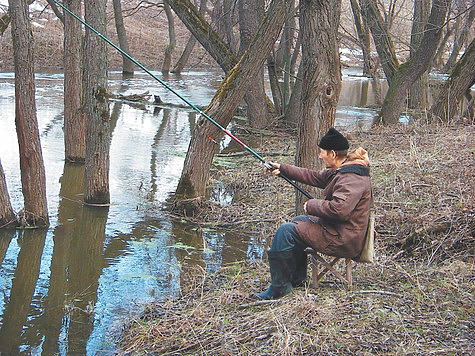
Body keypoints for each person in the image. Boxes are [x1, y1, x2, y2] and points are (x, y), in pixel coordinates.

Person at [254, 127, 371, 300]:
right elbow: (314, 176)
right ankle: (297, 278)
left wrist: (311, 205)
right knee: (298, 221)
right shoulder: (343, 170)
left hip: (343, 239)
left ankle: (278, 288)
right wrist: (283, 169)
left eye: (322, 152)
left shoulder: (351, 178)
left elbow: (339, 210)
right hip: (338, 230)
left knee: (285, 231)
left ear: (332, 153)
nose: (319, 156)